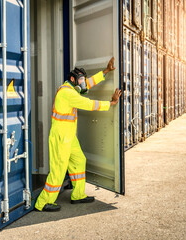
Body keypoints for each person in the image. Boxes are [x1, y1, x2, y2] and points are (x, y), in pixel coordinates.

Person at [35, 57, 122, 212]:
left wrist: (106, 71)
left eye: (84, 79)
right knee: (58, 170)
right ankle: (43, 202)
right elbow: (88, 104)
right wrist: (111, 103)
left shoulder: (73, 87)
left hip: (69, 137)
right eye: (81, 80)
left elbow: (87, 84)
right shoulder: (67, 93)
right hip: (61, 137)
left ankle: (78, 195)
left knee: (79, 160)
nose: (83, 83)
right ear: (73, 79)